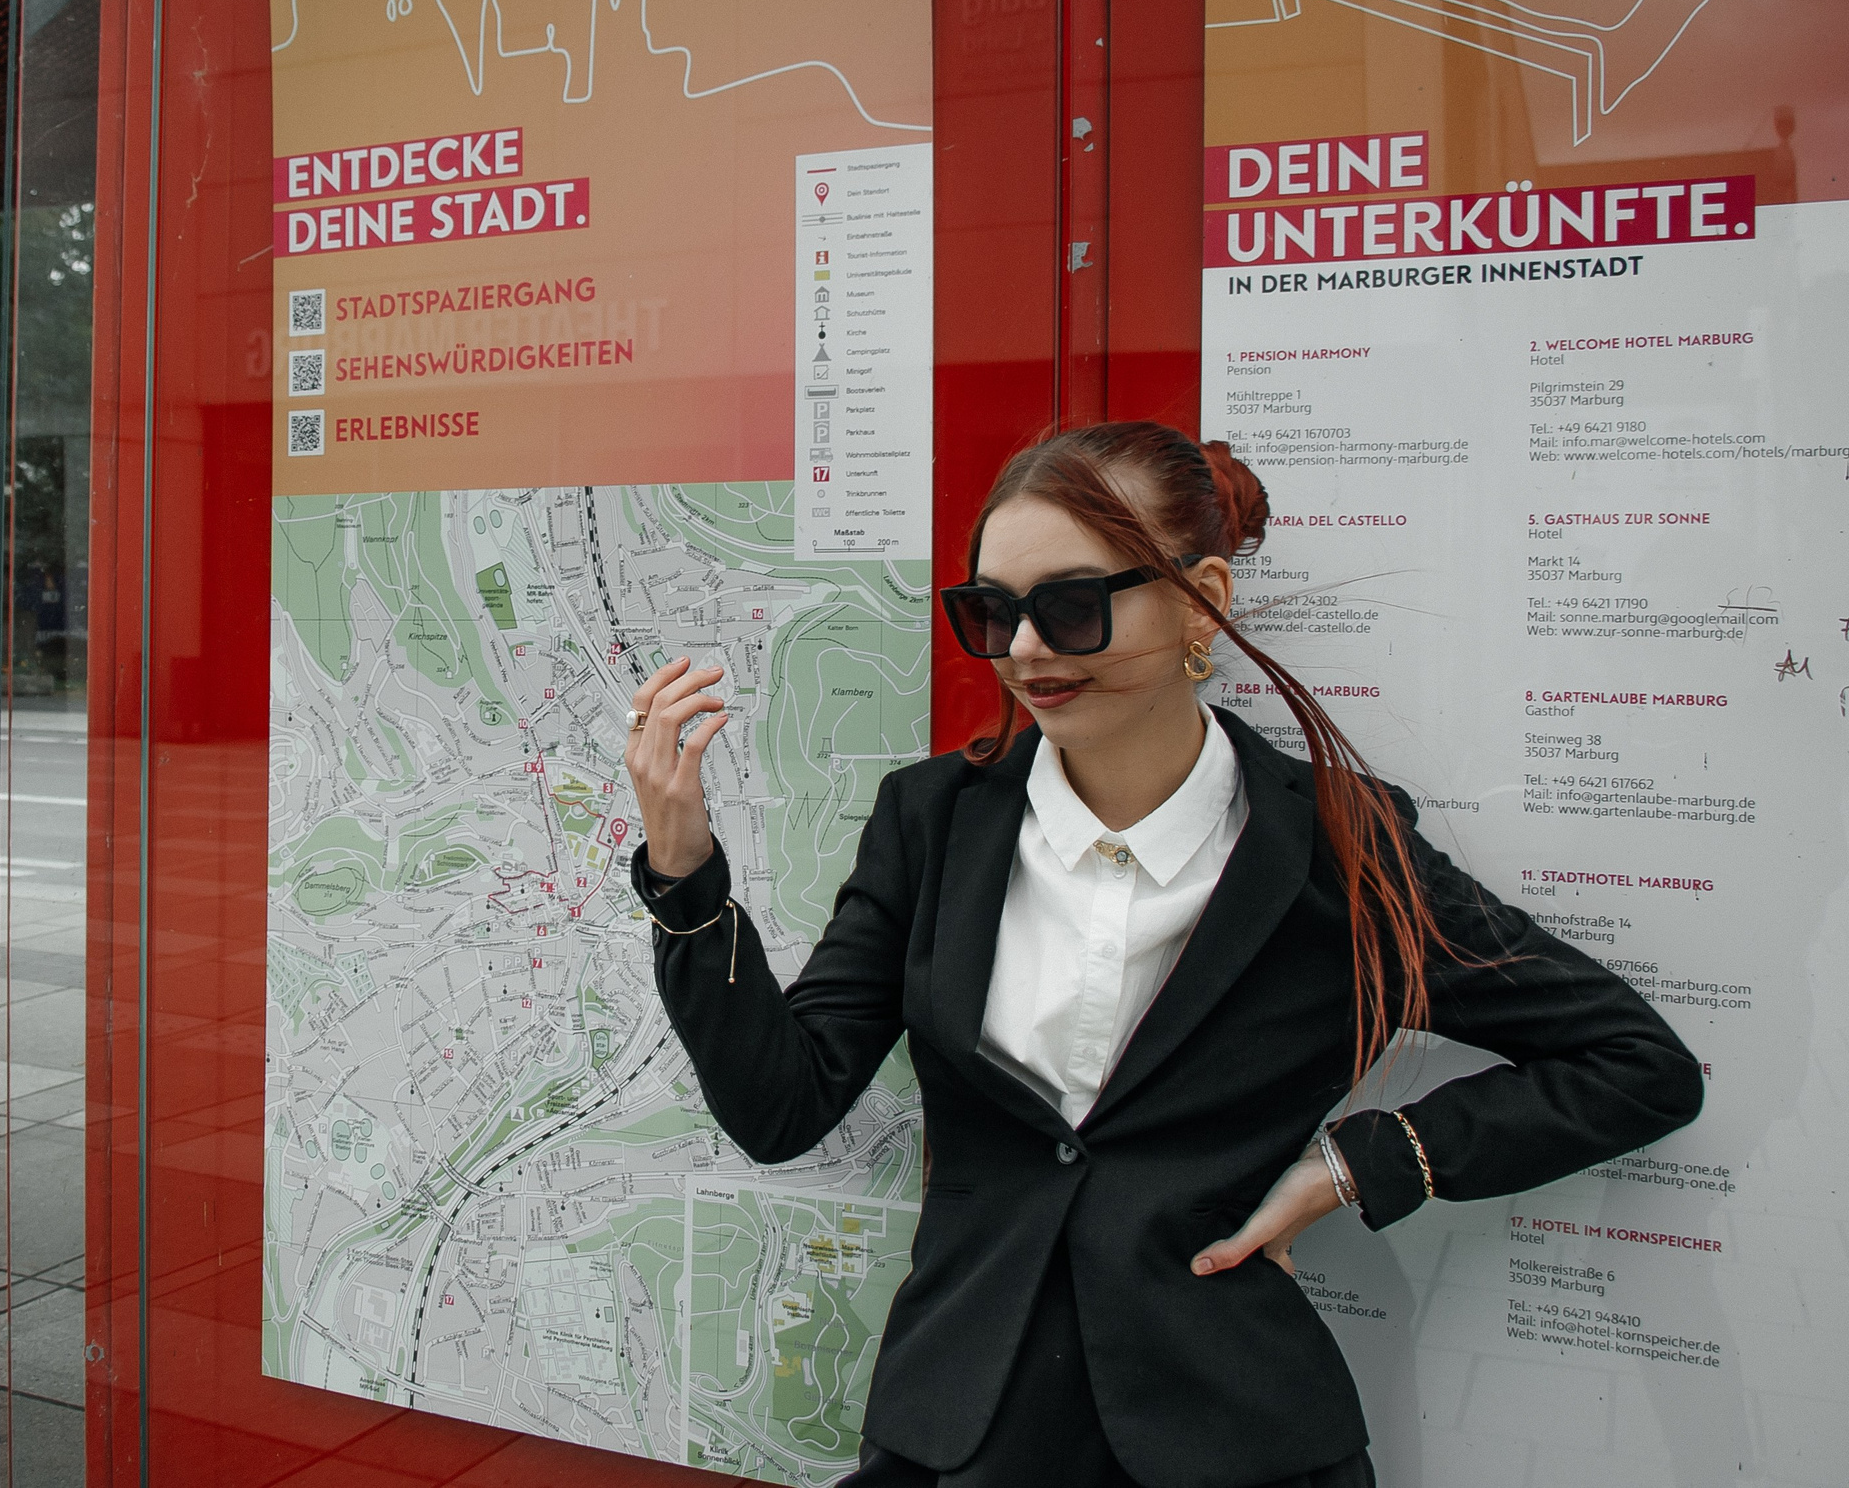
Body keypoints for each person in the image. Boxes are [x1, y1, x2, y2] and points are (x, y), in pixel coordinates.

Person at [621, 422, 1701, 1488]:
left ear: (1204, 604)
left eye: (1073, 606)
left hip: (1235, 1437)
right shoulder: (932, 821)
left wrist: (1355, 1167)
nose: (1027, 650)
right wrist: (686, 881)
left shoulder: (1334, 846)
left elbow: (1631, 1065)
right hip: (960, 1429)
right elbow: (782, 1106)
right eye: (992, 614)